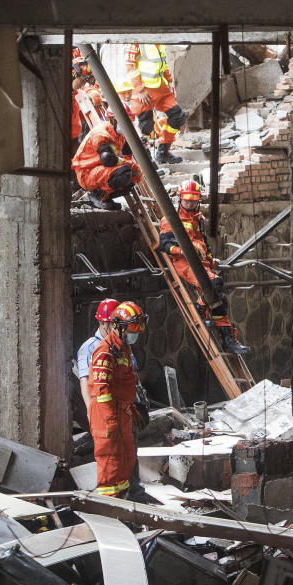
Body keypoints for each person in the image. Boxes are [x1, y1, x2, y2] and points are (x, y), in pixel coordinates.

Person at [157, 179, 250, 355]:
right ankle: (200, 309)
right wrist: (184, 251)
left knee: (219, 299)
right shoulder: (170, 219)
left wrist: (210, 261)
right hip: (184, 263)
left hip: (201, 264)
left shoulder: (199, 218)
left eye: (194, 200)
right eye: (187, 200)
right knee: (213, 285)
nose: (190, 203)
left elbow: (204, 243)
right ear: (180, 199)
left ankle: (228, 340)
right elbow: (164, 245)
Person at [88, 301, 149, 497]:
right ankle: (110, 512)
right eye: (132, 331)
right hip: (107, 417)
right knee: (110, 464)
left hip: (122, 414)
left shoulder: (123, 349)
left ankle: (121, 507)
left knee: (126, 461)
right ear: (119, 328)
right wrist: (111, 421)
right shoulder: (105, 351)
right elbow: (102, 391)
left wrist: (134, 408)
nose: (135, 335)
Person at [71, 109, 142, 210]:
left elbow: (128, 154)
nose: (128, 125)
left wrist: (135, 170)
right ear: (113, 120)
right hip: (87, 173)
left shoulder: (121, 135)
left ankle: (105, 197)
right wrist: (129, 164)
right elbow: (108, 159)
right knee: (124, 173)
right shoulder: (101, 133)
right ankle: (96, 194)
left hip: (101, 169)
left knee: (134, 176)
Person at [125, 43, 184, 164]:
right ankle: (146, 161)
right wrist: (140, 90)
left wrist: (169, 81)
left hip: (161, 87)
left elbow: (162, 63)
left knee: (178, 117)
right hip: (144, 91)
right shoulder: (136, 41)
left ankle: (163, 152)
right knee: (145, 126)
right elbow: (130, 66)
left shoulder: (158, 39)